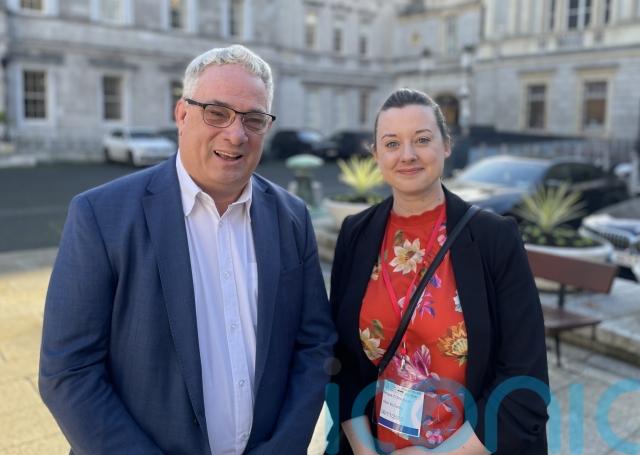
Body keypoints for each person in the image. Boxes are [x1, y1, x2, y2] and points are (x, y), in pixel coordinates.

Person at [39, 44, 335, 455]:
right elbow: (69, 371)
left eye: (253, 119)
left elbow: (314, 346)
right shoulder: (102, 215)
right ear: (182, 114)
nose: (236, 134)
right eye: (217, 112)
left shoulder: (291, 217)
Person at [329, 89, 549, 455]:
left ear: (446, 145)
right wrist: (365, 450)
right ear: (376, 154)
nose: (407, 155)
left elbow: (524, 379)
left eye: (422, 139)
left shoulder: (494, 238)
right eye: (392, 143)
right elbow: (343, 360)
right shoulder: (356, 233)